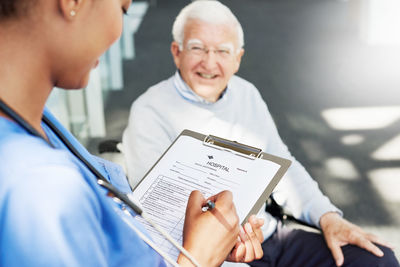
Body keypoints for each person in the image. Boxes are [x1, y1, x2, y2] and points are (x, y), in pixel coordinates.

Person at [122, 1, 399, 266]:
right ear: (176, 52)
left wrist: (328, 217)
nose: (209, 62)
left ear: (238, 59)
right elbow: (158, 215)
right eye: (197, 48)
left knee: (378, 260)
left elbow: (283, 167)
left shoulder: (246, 94)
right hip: (206, 255)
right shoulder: (148, 110)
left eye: (222, 51)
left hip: (265, 236)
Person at [0, 0, 266, 266]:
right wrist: (198, 257)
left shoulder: (37, 126)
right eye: (122, 9)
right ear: (73, 2)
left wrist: (203, 241)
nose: (118, 33)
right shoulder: (36, 185)